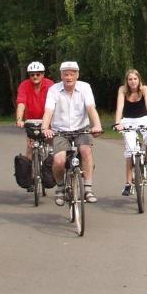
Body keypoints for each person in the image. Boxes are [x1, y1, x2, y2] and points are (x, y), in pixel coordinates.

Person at [41, 61, 104, 204]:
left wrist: (97, 125)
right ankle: (60, 187)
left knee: (86, 150)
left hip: (82, 129)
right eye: (65, 74)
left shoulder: (85, 88)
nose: (69, 77)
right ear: (61, 76)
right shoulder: (54, 90)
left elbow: (91, 108)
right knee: (59, 160)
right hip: (60, 131)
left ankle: (88, 188)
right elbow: (48, 111)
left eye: (72, 74)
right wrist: (45, 128)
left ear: (77, 75)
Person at [113, 68, 147, 196]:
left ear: (139, 80)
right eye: (130, 79)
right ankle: (128, 183)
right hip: (127, 120)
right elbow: (119, 107)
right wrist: (118, 123)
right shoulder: (122, 90)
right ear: (126, 81)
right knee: (130, 150)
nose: (132, 82)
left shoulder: (145, 89)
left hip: (143, 118)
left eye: (135, 79)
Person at [15, 61, 54, 160]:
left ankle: (52, 171)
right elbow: (21, 103)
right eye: (32, 74)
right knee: (30, 148)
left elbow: (54, 104)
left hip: (48, 119)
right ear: (29, 75)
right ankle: (29, 174)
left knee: (52, 147)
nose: (35, 76)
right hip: (32, 121)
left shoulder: (50, 85)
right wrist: (19, 120)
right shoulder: (24, 85)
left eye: (38, 74)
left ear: (43, 74)